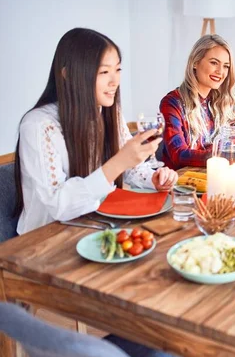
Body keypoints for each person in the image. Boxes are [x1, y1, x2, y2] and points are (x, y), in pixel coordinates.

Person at [14, 28, 178, 235]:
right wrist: (119, 162)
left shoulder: (109, 112)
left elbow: (130, 169)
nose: (114, 82)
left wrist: (152, 179)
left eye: (118, 70)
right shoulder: (39, 125)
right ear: (67, 75)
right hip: (44, 240)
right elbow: (58, 205)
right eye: (103, 72)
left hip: (97, 225)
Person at [160, 35, 235, 169]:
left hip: (214, 173)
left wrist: (218, 150)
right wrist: (228, 153)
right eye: (214, 63)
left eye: (226, 66)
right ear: (195, 62)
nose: (220, 72)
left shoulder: (219, 100)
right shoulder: (172, 103)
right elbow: (179, 155)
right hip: (183, 183)